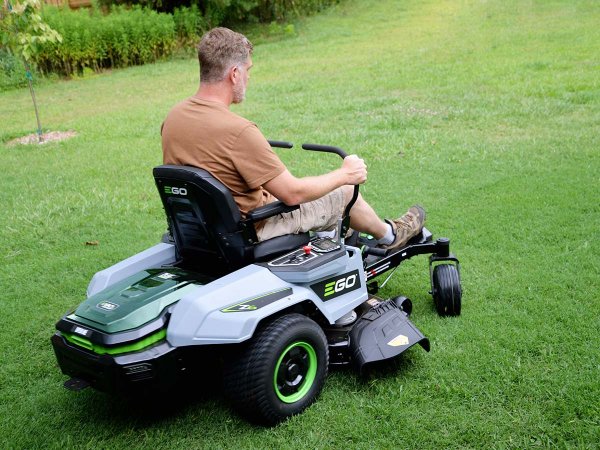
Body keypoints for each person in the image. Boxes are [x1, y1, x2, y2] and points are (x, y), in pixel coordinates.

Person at [161, 27, 425, 250]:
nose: (248, 77)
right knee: (342, 192)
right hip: (254, 229)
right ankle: (391, 235)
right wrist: (345, 174)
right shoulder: (239, 131)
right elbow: (292, 194)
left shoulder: (173, 119)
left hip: (201, 228)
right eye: (248, 70)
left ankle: (331, 238)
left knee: (313, 189)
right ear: (234, 74)